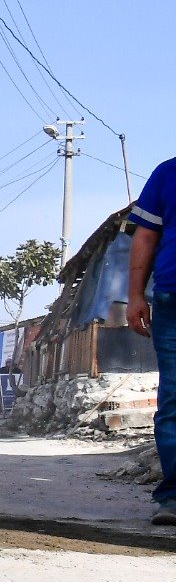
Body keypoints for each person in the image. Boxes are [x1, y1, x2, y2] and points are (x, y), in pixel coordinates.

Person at [127, 155, 176, 526]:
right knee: (174, 402)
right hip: (173, 302)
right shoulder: (168, 173)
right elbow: (145, 235)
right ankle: (173, 497)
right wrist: (135, 295)